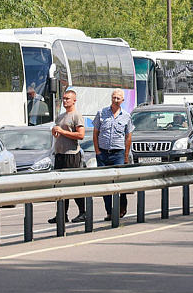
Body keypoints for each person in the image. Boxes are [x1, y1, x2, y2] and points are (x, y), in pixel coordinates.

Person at [93, 89, 134, 221]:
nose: (115, 100)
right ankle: (109, 211)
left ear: (122, 101)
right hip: (103, 153)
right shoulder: (102, 113)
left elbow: (128, 137)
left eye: (118, 98)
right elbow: (95, 133)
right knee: (105, 185)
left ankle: (122, 206)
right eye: (113, 97)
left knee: (119, 183)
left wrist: (126, 156)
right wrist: (97, 152)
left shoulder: (126, 116)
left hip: (118, 154)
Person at [48, 89, 87, 224]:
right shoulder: (61, 116)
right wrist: (56, 133)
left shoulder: (76, 115)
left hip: (71, 155)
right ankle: (61, 214)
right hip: (60, 154)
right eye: (64, 98)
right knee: (61, 186)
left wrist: (63, 132)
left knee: (72, 185)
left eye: (67, 99)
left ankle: (83, 212)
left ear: (74, 100)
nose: (65, 101)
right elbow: (59, 135)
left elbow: (81, 135)